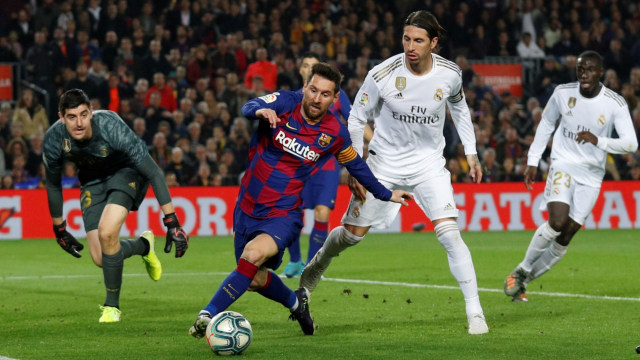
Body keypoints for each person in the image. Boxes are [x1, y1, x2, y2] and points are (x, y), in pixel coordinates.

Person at [299, 10, 489, 335]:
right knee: (350, 236)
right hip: (383, 165)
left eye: (418, 40)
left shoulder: (449, 74)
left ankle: (475, 312)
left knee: (449, 233)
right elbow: (357, 118)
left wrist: (470, 153)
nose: (410, 46)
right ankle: (313, 270)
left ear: (434, 43)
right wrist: (356, 167)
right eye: (406, 38)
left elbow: (458, 106)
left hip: (429, 165)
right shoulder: (383, 74)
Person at [188, 63, 412, 338]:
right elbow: (249, 106)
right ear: (305, 87)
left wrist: (387, 194)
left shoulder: (334, 132)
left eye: (325, 94)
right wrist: (259, 110)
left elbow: (356, 166)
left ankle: (206, 315)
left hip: (283, 213)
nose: (317, 98)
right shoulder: (284, 102)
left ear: (334, 98)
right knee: (254, 278)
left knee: (252, 256)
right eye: (313, 90)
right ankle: (297, 304)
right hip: (246, 207)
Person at [42, 89, 189, 323]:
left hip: (126, 172)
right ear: (61, 117)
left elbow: (153, 172)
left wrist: (172, 221)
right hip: (91, 182)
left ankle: (112, 307)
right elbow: (52, 184)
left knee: (107, 232)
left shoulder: (111, 126)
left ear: (91, 112)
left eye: (83, 115)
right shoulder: (53, 139)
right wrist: (59, 228)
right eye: (71, 117)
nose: (79, 123)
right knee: (101, 257)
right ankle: (143, 246)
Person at [503, 51, 638, 302]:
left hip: (592, 174)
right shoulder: (563, 93)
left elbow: (630, 144)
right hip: (563, 163)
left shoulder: (614, 103)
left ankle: (523, 279)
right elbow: (546, 124)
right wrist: (533, 160)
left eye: (589, 69)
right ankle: (522, 268)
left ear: (600, 72)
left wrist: (599, 140)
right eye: (580, 69)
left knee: (567, 235)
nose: (584, 74)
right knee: (557, 222)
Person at [281, 52, 352, 278]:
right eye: (305, 65)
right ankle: (294, 260)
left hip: (326, 165)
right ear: (301, 72)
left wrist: (375, 139)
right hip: (297, 164)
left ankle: (311, 266)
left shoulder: (337, 97)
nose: (309, 68)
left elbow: (354, 121)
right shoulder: (293, 97)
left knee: (322, 213)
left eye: (313, 65)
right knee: (294, 216)